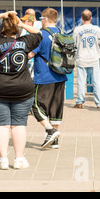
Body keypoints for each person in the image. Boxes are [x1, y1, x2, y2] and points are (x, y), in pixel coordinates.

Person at [0, 11, 42, 169]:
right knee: (19, 125)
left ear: (1, 28)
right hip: (22, 89)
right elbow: (39, 33)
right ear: (16, 29)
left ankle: (3, 159)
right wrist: (21, 25)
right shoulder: (26, 41)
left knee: (1, 125)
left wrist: (3, 14)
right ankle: (19, 159)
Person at [28, 8, 67, 149]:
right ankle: (55, 141)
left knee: (35, 105)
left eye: (41, 19)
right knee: (55, 109)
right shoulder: (61, 33)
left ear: (45, 19)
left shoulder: (41, 35)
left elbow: (30, 55)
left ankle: (50, 130)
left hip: (44, 77)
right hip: (61, 76)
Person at [73, 9, 100, 109]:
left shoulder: (77, 30)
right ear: (91, 18)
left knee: (81, 82)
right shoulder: (97, 29)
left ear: (82, 18)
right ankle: (99, 103)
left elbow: (73, 44)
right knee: (96, 81)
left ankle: (79, 102)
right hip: (94, 57)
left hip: (82, 57)